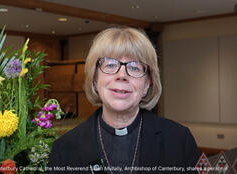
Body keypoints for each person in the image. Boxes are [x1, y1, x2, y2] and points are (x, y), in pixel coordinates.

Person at [48, 27, 200, 174]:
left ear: (147, 84)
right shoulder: (64, 149)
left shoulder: (179, 140)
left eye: (134, 67)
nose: (122, 75)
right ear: (94, 79)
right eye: (110, 65)